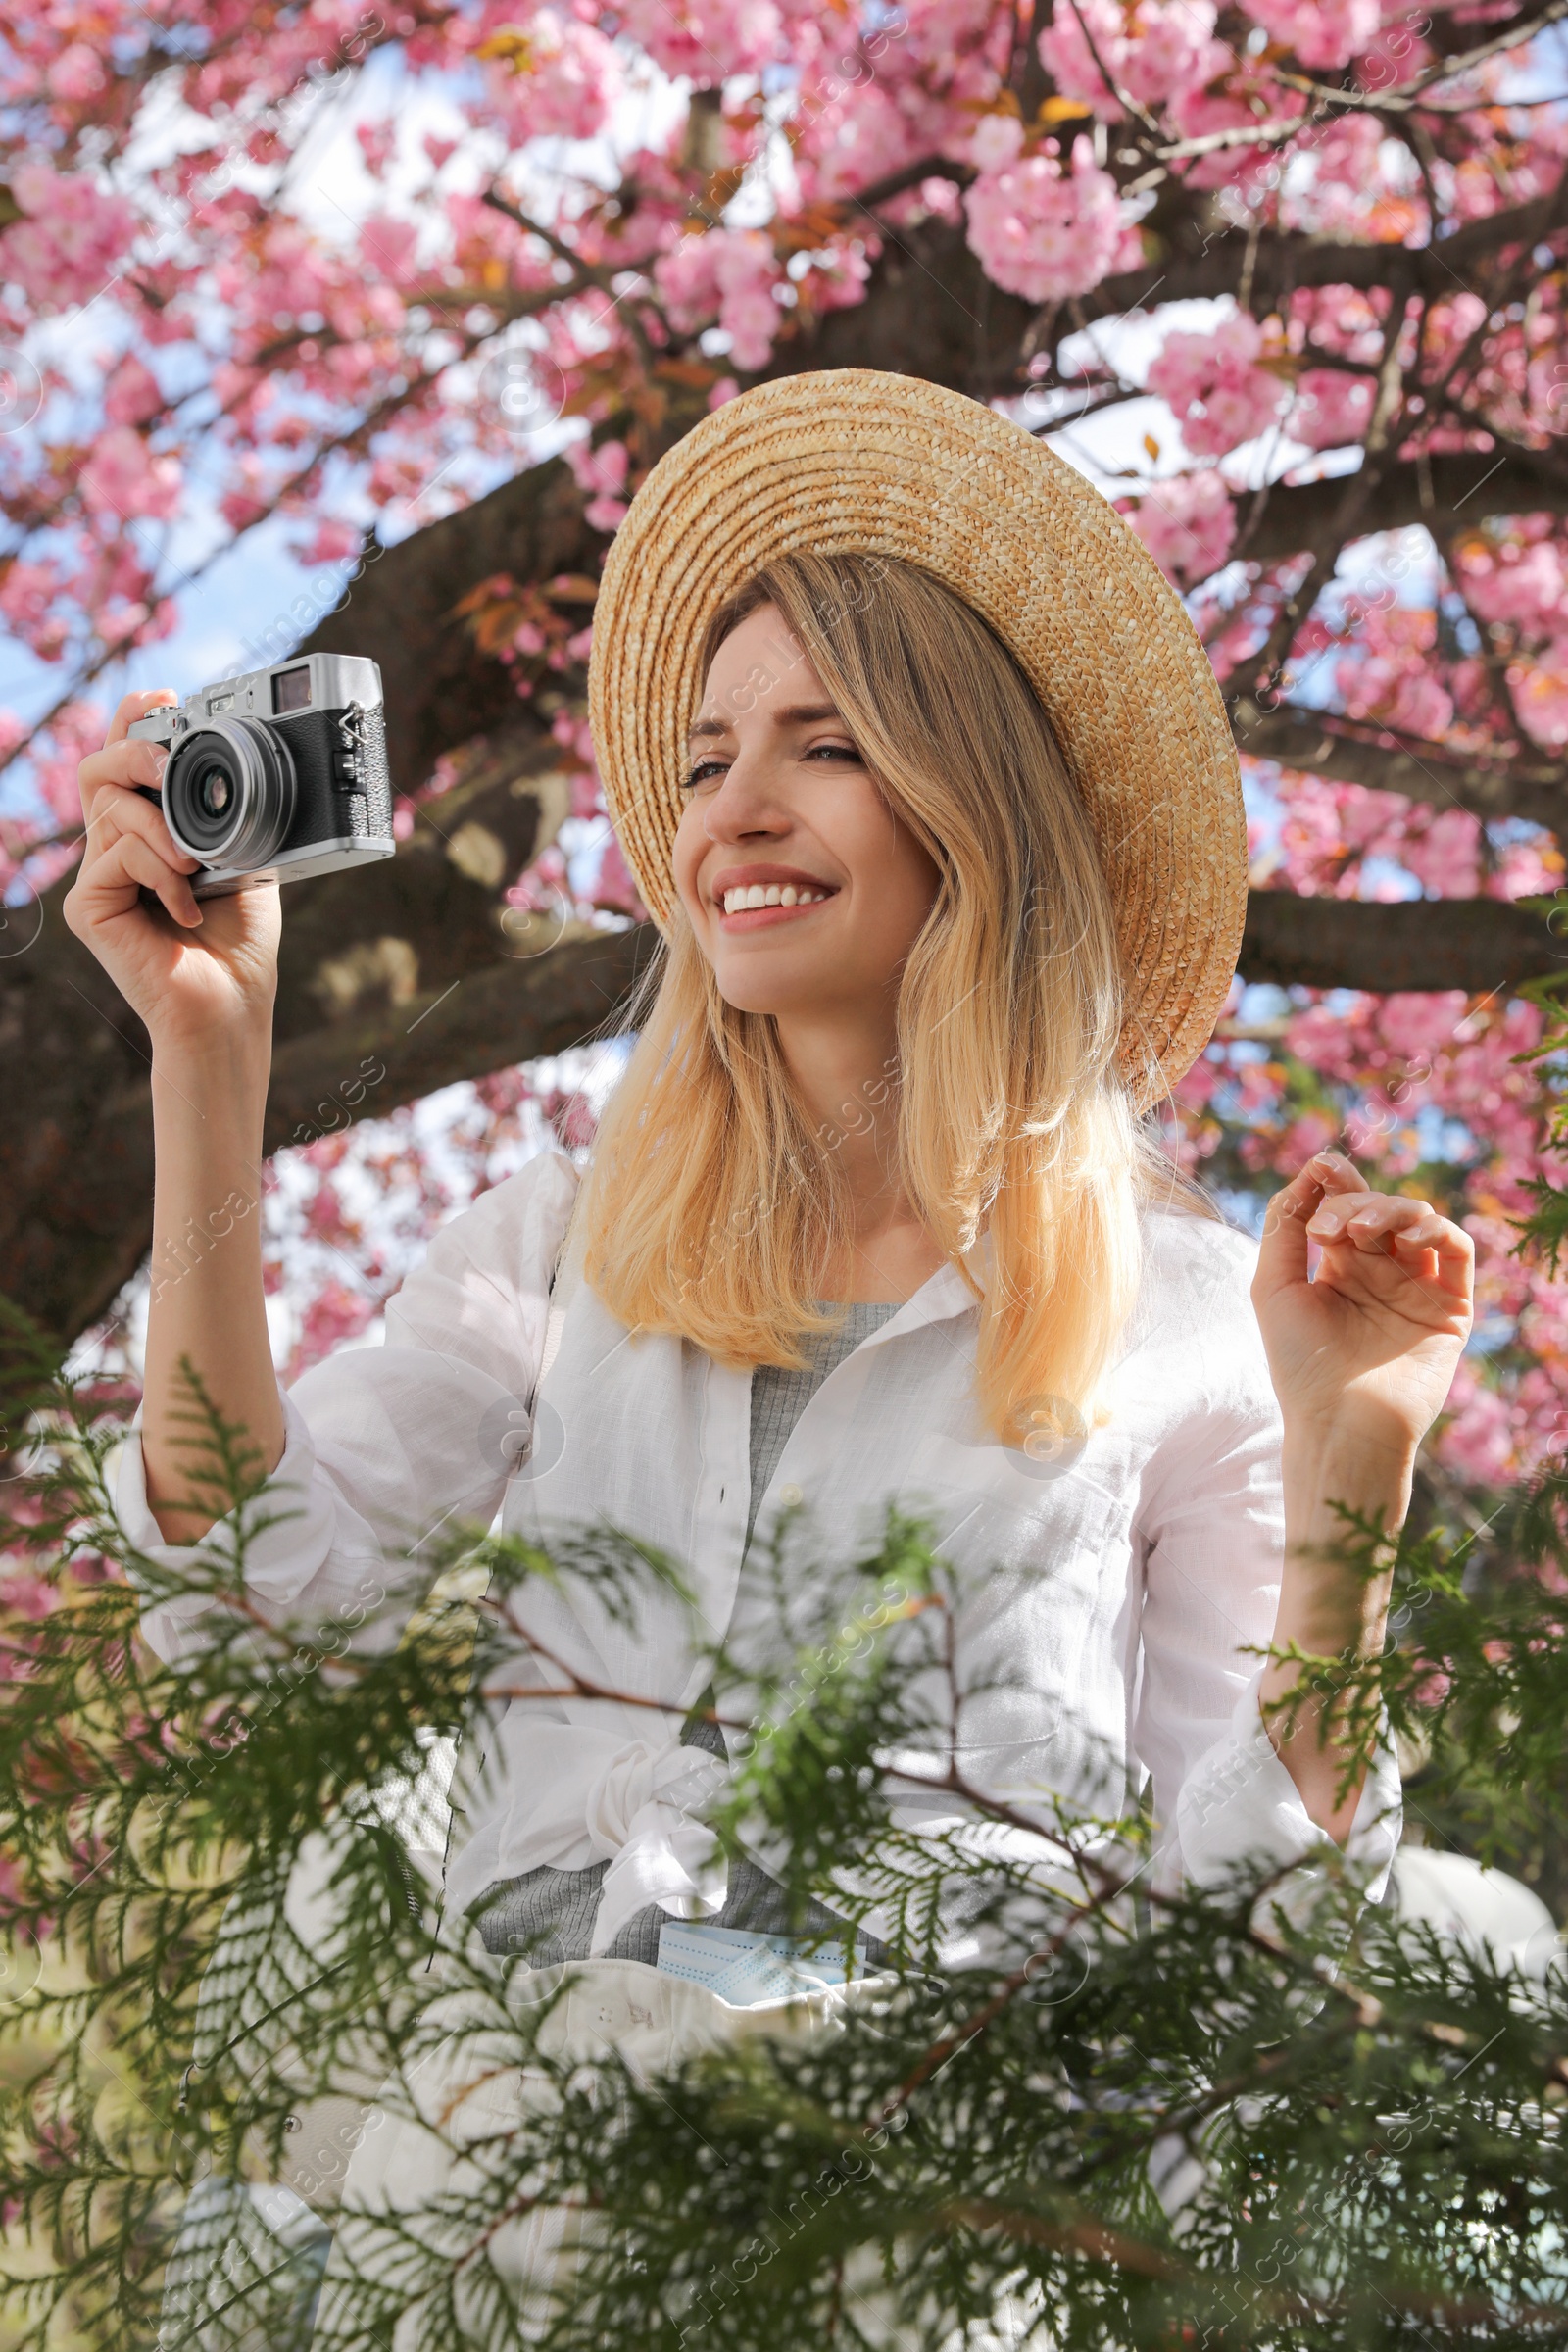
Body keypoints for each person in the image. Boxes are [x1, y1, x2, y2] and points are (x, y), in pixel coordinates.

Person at [67, 368, 1473, 2325]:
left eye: (823, 745)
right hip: (517, 2159)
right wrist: (206, 1070)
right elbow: (245, 1580)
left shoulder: (1185, 1329)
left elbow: (1240, 1923)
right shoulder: (557, 1253)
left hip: (930, 2191)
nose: (734, 806)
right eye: (708, 752)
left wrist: (1357, 1457)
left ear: (970, 806)